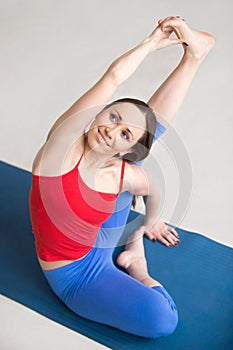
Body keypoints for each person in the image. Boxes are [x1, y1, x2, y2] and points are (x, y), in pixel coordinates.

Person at [29, 16, 215, 338]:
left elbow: (152, 186)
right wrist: (151, 43)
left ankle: (194, 56)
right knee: (163, 319)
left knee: (144, 134)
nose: (109, 130)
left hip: (101, 235)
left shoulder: (123, 171)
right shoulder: (59, 153)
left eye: (122, 132)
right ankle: (137, 265)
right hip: (76, 275)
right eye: (112, 116)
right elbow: (113, 78)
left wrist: (147, 223)